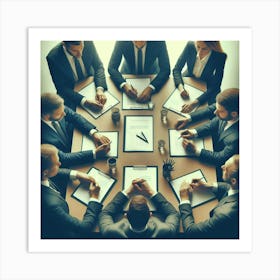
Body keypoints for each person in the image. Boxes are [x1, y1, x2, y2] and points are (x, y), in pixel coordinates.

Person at [41, 144, 103, 238]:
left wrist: (76, 174)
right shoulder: (51, 206)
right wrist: (94, 198)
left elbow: (53, 173)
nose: (60, 164)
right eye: (57, 163)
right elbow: (84, 228)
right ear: (45, 172)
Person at [180, 88, 239, 179]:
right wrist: (194, 132)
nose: (215, 113)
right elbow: (214, 124)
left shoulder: (237, 138)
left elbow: (220, 158)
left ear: (234, 114)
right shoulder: (227, 113)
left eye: (220, 111)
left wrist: (195, 150)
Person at [41, 93, 110, 167]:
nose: (64, 114)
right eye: (60, 114)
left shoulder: (57, 107)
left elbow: (75, 117)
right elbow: (62, 158)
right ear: (46, 115)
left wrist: (94, 133)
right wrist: (94, 153)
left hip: (74, 143)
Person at [179, 154, 239, 239]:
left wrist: (184, 199)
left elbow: (191, 231)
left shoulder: (224, 214)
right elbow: (229, 188)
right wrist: (208, 186)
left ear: (233, 181)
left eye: (226, 169)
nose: (222, 167)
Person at [99, 178, 180, 238]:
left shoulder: (110, 232)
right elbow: (173, 213)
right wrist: (151, 192)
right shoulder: (166, 231)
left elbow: (105, 214)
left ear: (126, 215)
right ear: (150, 214)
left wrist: (127, 192)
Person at [47, 41, 107, 111]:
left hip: (90, 81)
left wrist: (99, 89)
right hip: (71, 92)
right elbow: (61, 88)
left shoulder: (88, 41)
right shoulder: (53, 58)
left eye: (82, 48)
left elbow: (99, 66)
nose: (80, 55)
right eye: (74, 51)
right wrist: (85, 101)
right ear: (64, 44)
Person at [173, 41, 227, 113]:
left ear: (212, 47)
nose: (199, 52)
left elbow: (216, 85)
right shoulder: (190, 46)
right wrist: (181, 88)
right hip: (189, 76)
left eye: (204, 49)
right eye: (198, 47)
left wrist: (196, 102)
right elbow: (176, 69)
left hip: (206, 82)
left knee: (208, 111)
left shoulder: (220, 56)